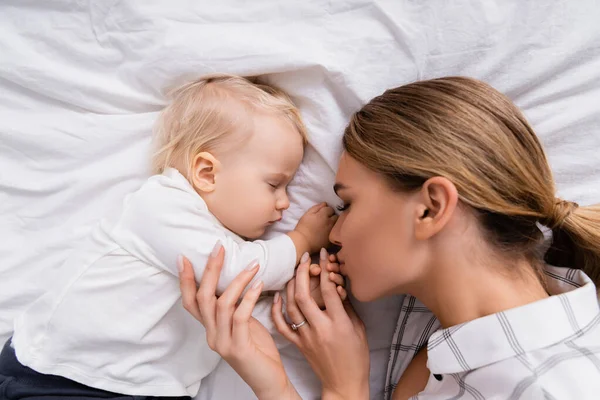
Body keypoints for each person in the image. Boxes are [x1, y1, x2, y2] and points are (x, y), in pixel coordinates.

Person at [179, 77, 600, 399]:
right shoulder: (450, 326)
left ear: (430, 208)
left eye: (347, 205)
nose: (335, 233)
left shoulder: (547, 388)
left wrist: (335, 390)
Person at [0, 74, 344, 399]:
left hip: (152, 387)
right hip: (65, 376)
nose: (285, 203)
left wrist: (296, 299)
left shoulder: (219, 239)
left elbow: (231, 317)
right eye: (274, 184)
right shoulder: (162, 205)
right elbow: (236, 271)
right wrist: (300, 240)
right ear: (206, 172)